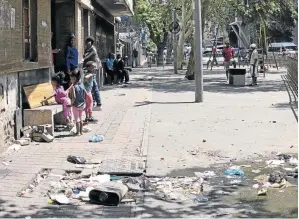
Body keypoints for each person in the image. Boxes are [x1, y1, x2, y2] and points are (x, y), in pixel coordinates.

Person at [83, 36, 102, 108]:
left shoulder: (93, 49)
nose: (86, 43)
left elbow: (85, 57)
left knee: (94, 85)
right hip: (88, 68)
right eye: (86, 42)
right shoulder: (87, 49)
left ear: (91, 42)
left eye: (88, 42)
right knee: (91, 86)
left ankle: (98, 102)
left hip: (92, 69)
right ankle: (93, 102)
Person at [69, 71, 86, 135]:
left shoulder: (74, 87)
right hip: (82, 105)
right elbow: (85, 94)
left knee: (76, 120)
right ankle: (81, 132)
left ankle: (78, 132)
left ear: (74, 79)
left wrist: (71, 104)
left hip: (75, 105)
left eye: (71, 79)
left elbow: (74, 97)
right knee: (81, 118)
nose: (71, 80)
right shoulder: (82, 85)